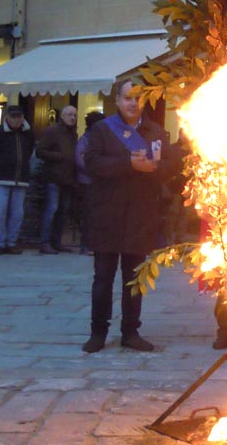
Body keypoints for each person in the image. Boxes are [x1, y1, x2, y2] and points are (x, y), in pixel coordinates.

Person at [81, 79, 180, 353]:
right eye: (128, 98)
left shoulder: (157, 132)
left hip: (140, 215)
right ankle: (98, 332)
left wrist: (153, 168)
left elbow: (172, 166)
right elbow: (91, 163)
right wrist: (128, 164)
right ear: (118, 101)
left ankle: (130, 332)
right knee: (103, 278)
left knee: (134, 280)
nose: (133, 103)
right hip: (107, 215)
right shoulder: (102, 130)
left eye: (138, 98)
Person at [0, 106, 34, 256]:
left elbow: (28, 151)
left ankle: (11, 242)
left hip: (19, 179)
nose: (16, 120)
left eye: (19, 117)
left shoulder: (27, 133)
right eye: (13, 117)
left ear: (23, 117)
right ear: (7, 117)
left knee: (17, 213)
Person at [37, 105, 78, 254]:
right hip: (53, 176)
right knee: (51, 209)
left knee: (62, 211)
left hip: (67, 178)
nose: (72, 117)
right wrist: (58, 156)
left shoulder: (73, 134)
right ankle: (45, 242)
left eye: (74, 115)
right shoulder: (52, 131)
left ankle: (56, 241)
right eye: (69, 114)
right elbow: (40, 151)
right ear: (62, 116)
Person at [74, 111, 105, 256]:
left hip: (95, 181)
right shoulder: (87, 139)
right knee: (89, 214)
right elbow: (80, 159)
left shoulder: (92, 138)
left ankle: (93, 243)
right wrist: (96, 171)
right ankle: (86, 244)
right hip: (88, 182)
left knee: (95, 214)